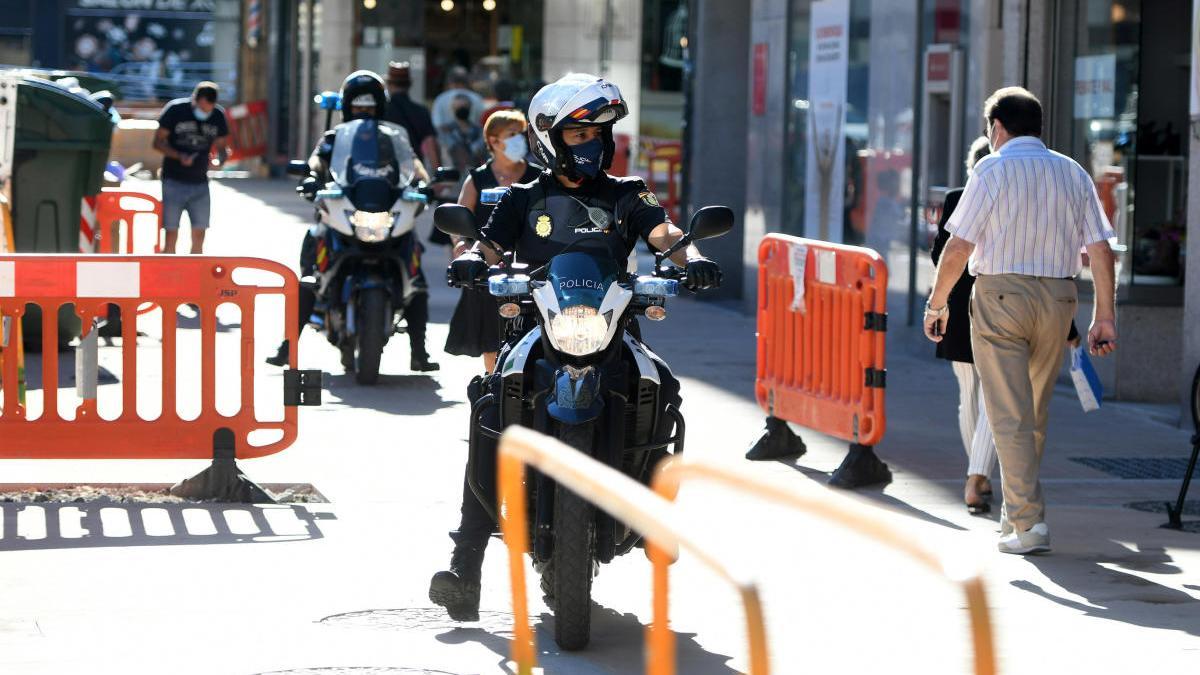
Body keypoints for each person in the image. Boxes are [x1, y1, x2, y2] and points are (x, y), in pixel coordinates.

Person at [427, 73, 723, 621]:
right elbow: (489, 241)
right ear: (551, 139)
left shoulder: (627, 192)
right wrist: (471, 255)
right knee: (488, 409)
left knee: (664, 387)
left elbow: (661, 232)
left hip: (614, 330)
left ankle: (658, 517)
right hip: (537, 331)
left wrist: (692, 258)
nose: (592, 145)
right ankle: (465, 564)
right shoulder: (523, 197)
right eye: (579, 134)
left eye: (598, 134)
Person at [925, 87, 1117, 555]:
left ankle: (1029, 524)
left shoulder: (991, 169)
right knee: (1032, 411)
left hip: (1001, 296)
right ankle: (1015, 516)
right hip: (1058, 298)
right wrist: (1104, 316)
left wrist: (937, 303)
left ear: (996, 128)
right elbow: (1100, 250)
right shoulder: (1072, 171)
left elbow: (958, 247)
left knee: (1008, 412)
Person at [266, 70, 439, 372]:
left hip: (385, 214)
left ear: (380, 107)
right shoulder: (334, 138)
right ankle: (287, 346)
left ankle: (419, 351)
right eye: (358, 107)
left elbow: (414, 165)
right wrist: (309, 179)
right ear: (348, 107)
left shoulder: (392, 140)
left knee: (417, 279)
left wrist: (425, 185)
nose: (363, 112)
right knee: (311, 277)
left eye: (369, 106)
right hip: (344, 213)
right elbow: (316, 161)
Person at [443, 110, 542, 373]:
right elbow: (461, 221)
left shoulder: (539, 177)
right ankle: (494, 385)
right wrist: (462, 246)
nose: (519, 140)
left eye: (522, 134)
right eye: (512, 135)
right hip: (490, 272)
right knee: (492, 342)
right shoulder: (477, 179)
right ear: (494, 140)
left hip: (531, 268)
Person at [153, 81, 230, 254]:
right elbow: (158, 142)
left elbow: (222, 148)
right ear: (195, 100)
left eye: (209, 109)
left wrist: (219, 161)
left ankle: (195, 272)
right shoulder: (175, 110)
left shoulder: (217, 115)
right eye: (203, 108)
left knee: (199, 232)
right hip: (173, 180)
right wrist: (179, 156)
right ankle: (170, 271)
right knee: (171, 231)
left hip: (200, 182)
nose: (206, 112)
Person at [384, 61, 440, 168]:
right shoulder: (421, 111)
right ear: (409, 84)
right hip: (414, 169)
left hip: (387, 170)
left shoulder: (382, 111)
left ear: (389, 84)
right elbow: (430, 144)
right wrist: (438, 174)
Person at [439, 93, 486, 175]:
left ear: (470, 107)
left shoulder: (480, 131)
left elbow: (481, 152)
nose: (461, 109)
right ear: (453, 108)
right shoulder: (444, 131)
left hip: (475, 176)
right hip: (452, 178)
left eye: (465, 106)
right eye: (458, 106)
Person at [431, 66, 485, 131]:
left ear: (450, 82)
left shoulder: (441, 98)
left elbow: (437, 124)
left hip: (446, 139)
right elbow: (482, 123)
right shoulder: (477, 98)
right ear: (467, 82)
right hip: (474, 139)